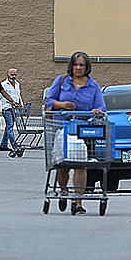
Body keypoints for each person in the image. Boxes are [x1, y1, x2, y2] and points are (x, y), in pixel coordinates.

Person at [44, 51, 105, 215]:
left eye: (82, 65)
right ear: (71, 66)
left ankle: (78, 201)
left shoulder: (93, 86)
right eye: (76, 64)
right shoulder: (62, 81)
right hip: (63, 127)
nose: (78, 68)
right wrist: (62, 104)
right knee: (63, 165)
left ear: (87, 67)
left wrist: (96, 110)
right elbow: (49, 101)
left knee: (81, 164)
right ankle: (64, 192)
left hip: (83, 130)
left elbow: (101, 107)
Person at [0, 68, 23, 152]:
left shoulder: (17, 84)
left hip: (15, 109)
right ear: (7, 75)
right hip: (6, 108)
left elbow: (18, 96)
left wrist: (20, 105)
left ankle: (3, 145)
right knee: (10, 126)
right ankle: (14, 145)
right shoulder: (3, 84)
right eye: (12, 75)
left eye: (15, 75)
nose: (14, 76)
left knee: (9, 126)